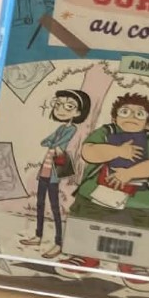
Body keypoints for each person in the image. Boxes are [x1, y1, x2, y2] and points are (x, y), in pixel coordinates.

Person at [56, 93, 149, 291]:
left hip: (137, 197)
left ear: (148, 121)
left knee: (140, 228)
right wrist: (118, 151)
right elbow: (88, 152)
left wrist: (129, 173)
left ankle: (133, 265)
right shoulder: (105, 132)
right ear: (114, 117)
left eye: (139, 114)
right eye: (125, 112)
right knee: (86, 219)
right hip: (96, 192)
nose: (131, 116)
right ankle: (85, 256)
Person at [20, 89, 90, 259]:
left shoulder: (71, 129)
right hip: (45, 171)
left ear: (78, 112)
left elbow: (59, 143)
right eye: (58, 104)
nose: (61, 109)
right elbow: (46, 141)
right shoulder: (61, 127)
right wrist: (52, 143)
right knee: (40, 203)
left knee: (54, 207)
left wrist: (53, 143)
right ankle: (38, 236)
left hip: (54, 173)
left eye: (69, 106)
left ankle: (58, 243)